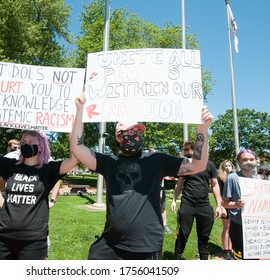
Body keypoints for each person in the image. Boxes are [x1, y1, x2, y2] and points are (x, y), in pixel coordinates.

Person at [70, 93, 214, 260]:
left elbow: (198, 165)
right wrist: (80, 111)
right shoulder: (109, 162)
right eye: (128, 132)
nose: (134, 135)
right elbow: (77, 148)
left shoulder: (156, 160)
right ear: (118, 137)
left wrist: (202, 128)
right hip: (111, 243)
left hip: (147, 244)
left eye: (137, 131)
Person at [0, 125, 77, 260]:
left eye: (31, 143)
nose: (26, 145)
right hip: (4, 238)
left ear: (41, 147)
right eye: (23, 143)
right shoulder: (10, 165)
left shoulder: (49, 170)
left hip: (33, 241)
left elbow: (75, 158)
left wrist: (72, 126)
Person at [222, 149, 270, 260]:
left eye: (251, 159)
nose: (248, 162)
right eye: (245, 159)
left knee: (254, 258)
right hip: (239, 226)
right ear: (238, 161)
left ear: (256, 161)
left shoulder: (259, 179)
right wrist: (237, 204)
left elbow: (267, 203)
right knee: (241, 258)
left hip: (256, 228)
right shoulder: (232, 178)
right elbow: (224, 203)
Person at [170, 140, 223, 260]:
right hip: (187, 203)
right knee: (183, 234)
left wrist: (219, 205)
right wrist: (174, 200)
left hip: (204, 205)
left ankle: (203, 258)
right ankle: (177, 258)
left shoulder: (209, 165)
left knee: (204, 236)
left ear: (194, 150)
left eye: (186, 150)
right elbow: (179, 184)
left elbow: (215, 185)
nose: (185, 153)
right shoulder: (186, 165)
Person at [217, 159, 236, 260]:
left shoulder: (235, 177)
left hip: (235, 205)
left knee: (233, 228)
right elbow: (219, 194)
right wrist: (221, 207)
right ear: (223, 168)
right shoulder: (220, 178)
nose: (229, 167)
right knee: (227, 228)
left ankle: (231, 249)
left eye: (230, 166)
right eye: (226, 166)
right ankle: (226, 250)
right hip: (225, 205)